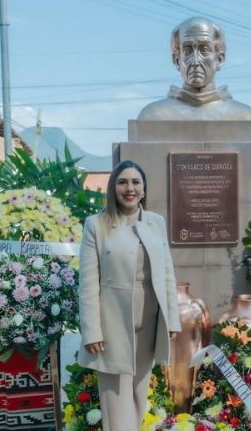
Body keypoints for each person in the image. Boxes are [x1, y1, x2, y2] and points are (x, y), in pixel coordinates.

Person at [77, 160, 181, 430]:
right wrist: (91, 331)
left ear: (144, 189)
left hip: (150, 321)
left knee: (138, 395)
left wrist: (172, 319)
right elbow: (88, 283)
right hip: (112, 322)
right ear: (113, 187)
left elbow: (167, 273)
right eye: (122, 182)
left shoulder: (156, 222)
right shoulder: (96, 224)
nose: (129, 188)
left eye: (135, 182)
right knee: (115, 399)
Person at [137, 16, 251, 121]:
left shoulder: (246, 118)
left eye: (204, 50)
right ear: (177, 60)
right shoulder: (152, 117)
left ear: (219, 59)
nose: (195, 61)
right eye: (187, 51)